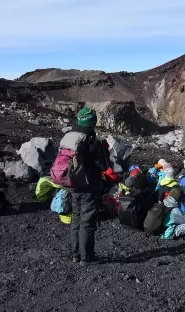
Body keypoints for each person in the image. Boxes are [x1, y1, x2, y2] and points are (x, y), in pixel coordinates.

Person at [70, 107, 110, 266]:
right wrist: (105, 150)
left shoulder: (71, 137)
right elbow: (104, 165)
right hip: (89, 186)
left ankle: (75, 254)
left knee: (76, 219)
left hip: (73, 185)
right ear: (92, 122)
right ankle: (86, 257)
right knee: (87, 222)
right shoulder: (92, 141)